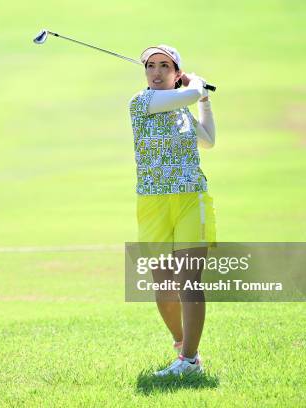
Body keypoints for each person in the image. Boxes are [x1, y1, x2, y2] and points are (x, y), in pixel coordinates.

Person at [128, 45, 217, 376]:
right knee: (163, 286)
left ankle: (190, 361)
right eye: (151, 65)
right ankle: (182, 345)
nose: (156, 71)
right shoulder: (141, 102)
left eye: (165, 65)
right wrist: (197, 86)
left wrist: (205, 100)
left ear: (175, 72)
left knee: (188, 280)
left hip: (191, 198)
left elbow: (207, 139)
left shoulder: (184, 111)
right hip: (152, 203)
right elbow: (189, 95)